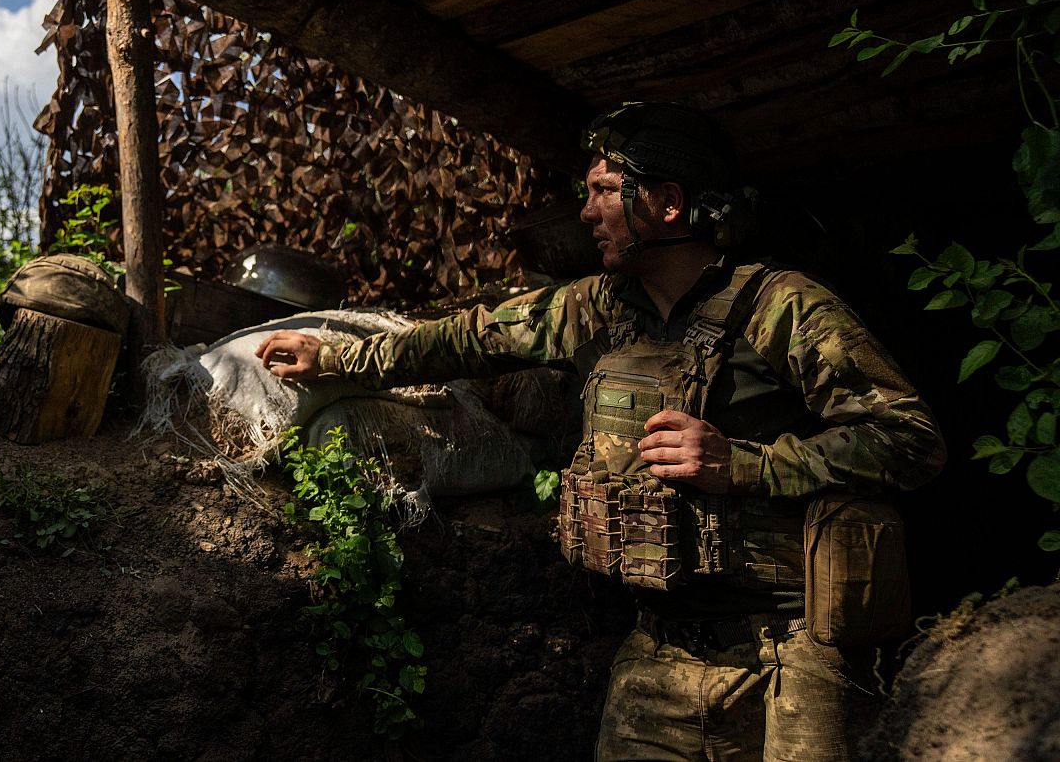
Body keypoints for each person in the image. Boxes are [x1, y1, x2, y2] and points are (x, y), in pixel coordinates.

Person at [255, 102, 945, 761]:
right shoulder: (596, 306)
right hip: (659, 657)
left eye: (606, 190)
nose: (586, 212)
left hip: (790, 657)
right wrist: (340, 355)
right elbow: (467, 339)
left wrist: (748, 465)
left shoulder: (783, 307)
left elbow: (909, 439)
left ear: (667, 204)